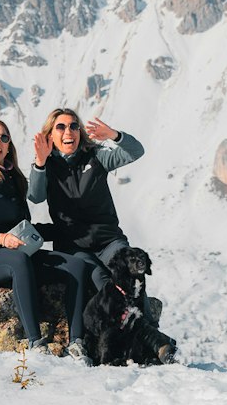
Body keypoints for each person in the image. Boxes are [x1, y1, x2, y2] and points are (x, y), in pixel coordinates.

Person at [0, 119, 90, 350]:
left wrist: (62, 228)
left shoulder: (13, 178)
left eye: (4, 138)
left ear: (9, 146)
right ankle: (35, 340)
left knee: (76, 266)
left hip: (16, 250)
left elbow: (22, 226)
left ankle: (77, 340)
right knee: (19, 260)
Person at [28, 108, 145, 291]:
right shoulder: (46, 166)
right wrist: (40, 162)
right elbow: (35, 196)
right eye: (61, 127)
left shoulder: (95, 156)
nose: (68, 131)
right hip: (74, 247)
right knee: (99, 280)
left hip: (109, 241)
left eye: (73, 126)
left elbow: (136, 151)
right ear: (50, 135)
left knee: (131, 275)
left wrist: (114, 135)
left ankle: (145, 320)